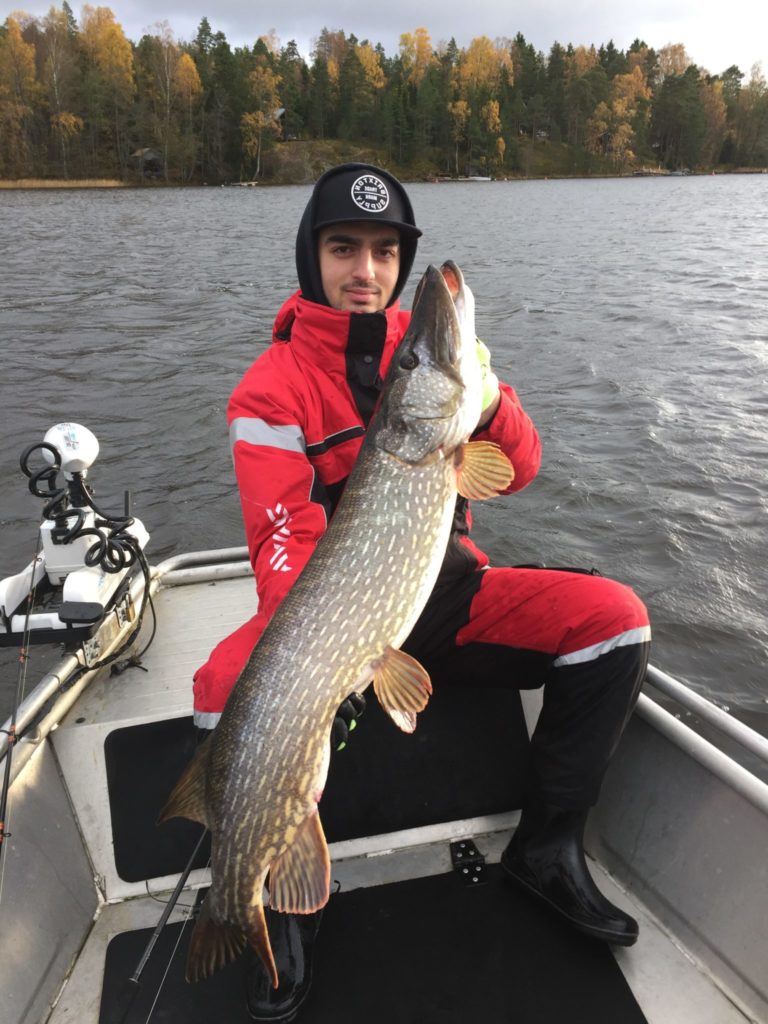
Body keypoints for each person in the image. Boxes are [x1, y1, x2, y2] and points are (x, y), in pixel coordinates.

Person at [192, 163, 651, 1022]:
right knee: (229, 685)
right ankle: (277, 903)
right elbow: (281, 546)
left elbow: (522, 467)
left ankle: (547, 851)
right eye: (343, 248)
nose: (366, 270)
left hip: (446, 595)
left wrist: (486, 395)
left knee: (615, 621)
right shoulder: (271, 388)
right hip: (330, 609)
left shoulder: (432, 362)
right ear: (311, 255)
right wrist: (329, 665)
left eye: (384, 251)